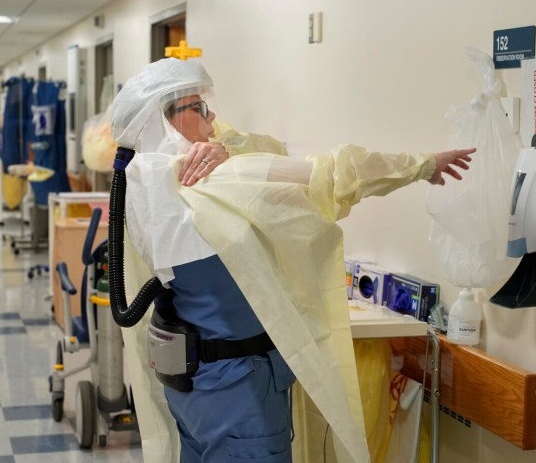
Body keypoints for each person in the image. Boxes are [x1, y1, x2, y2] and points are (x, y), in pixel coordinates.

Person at [110, 58, 474, 463]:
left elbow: (255, 147)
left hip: (194, 388)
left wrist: (221, 150)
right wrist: (421, 165)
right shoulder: (211, 183)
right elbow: (329, 175)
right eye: (200, 108)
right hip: (240, 390)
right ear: (167, 119)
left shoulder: (143, 182)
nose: (214, 120)